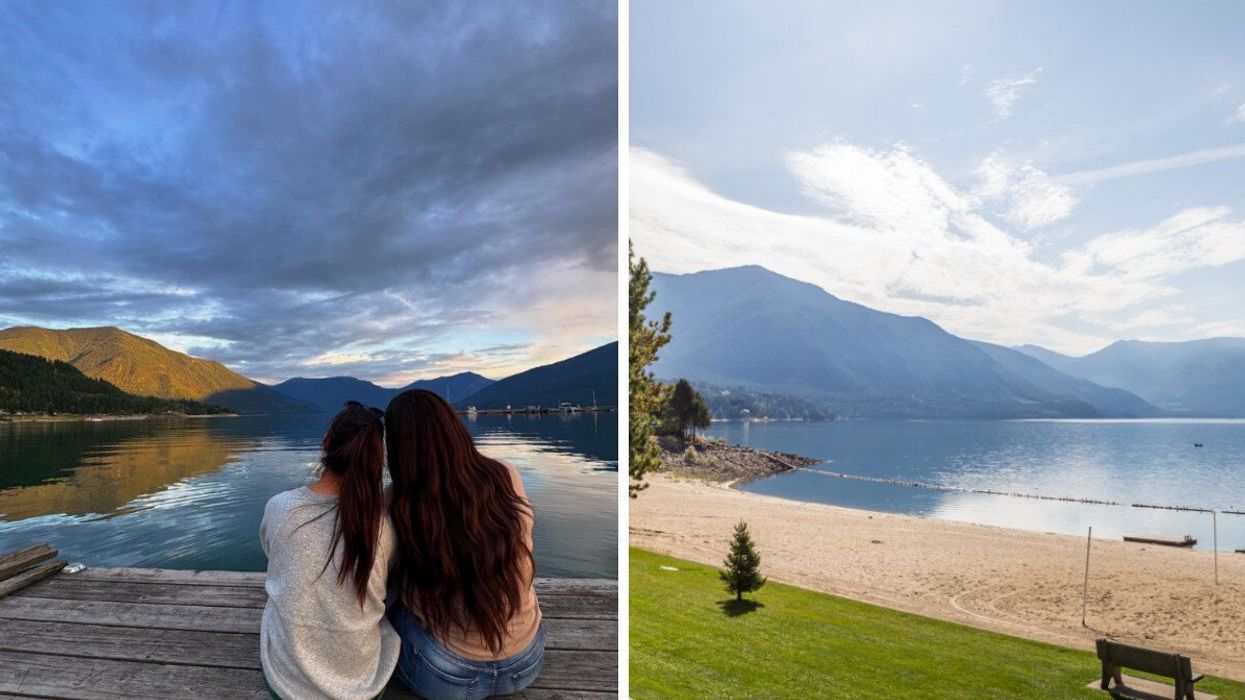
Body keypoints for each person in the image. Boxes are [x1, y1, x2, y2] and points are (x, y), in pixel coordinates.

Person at [384, 389, 545, 700]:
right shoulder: (504, 473)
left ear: (397, 448)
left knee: (391, 599)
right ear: (453, 428)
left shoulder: (397, 500)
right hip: (526, 664)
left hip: (445, 676)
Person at [259, 402, 397, 700]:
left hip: (286, 688)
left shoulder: (279, 508)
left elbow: (272, 554)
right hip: (364, 688)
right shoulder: (381, 525)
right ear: (375, 461)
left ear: (325, 443)